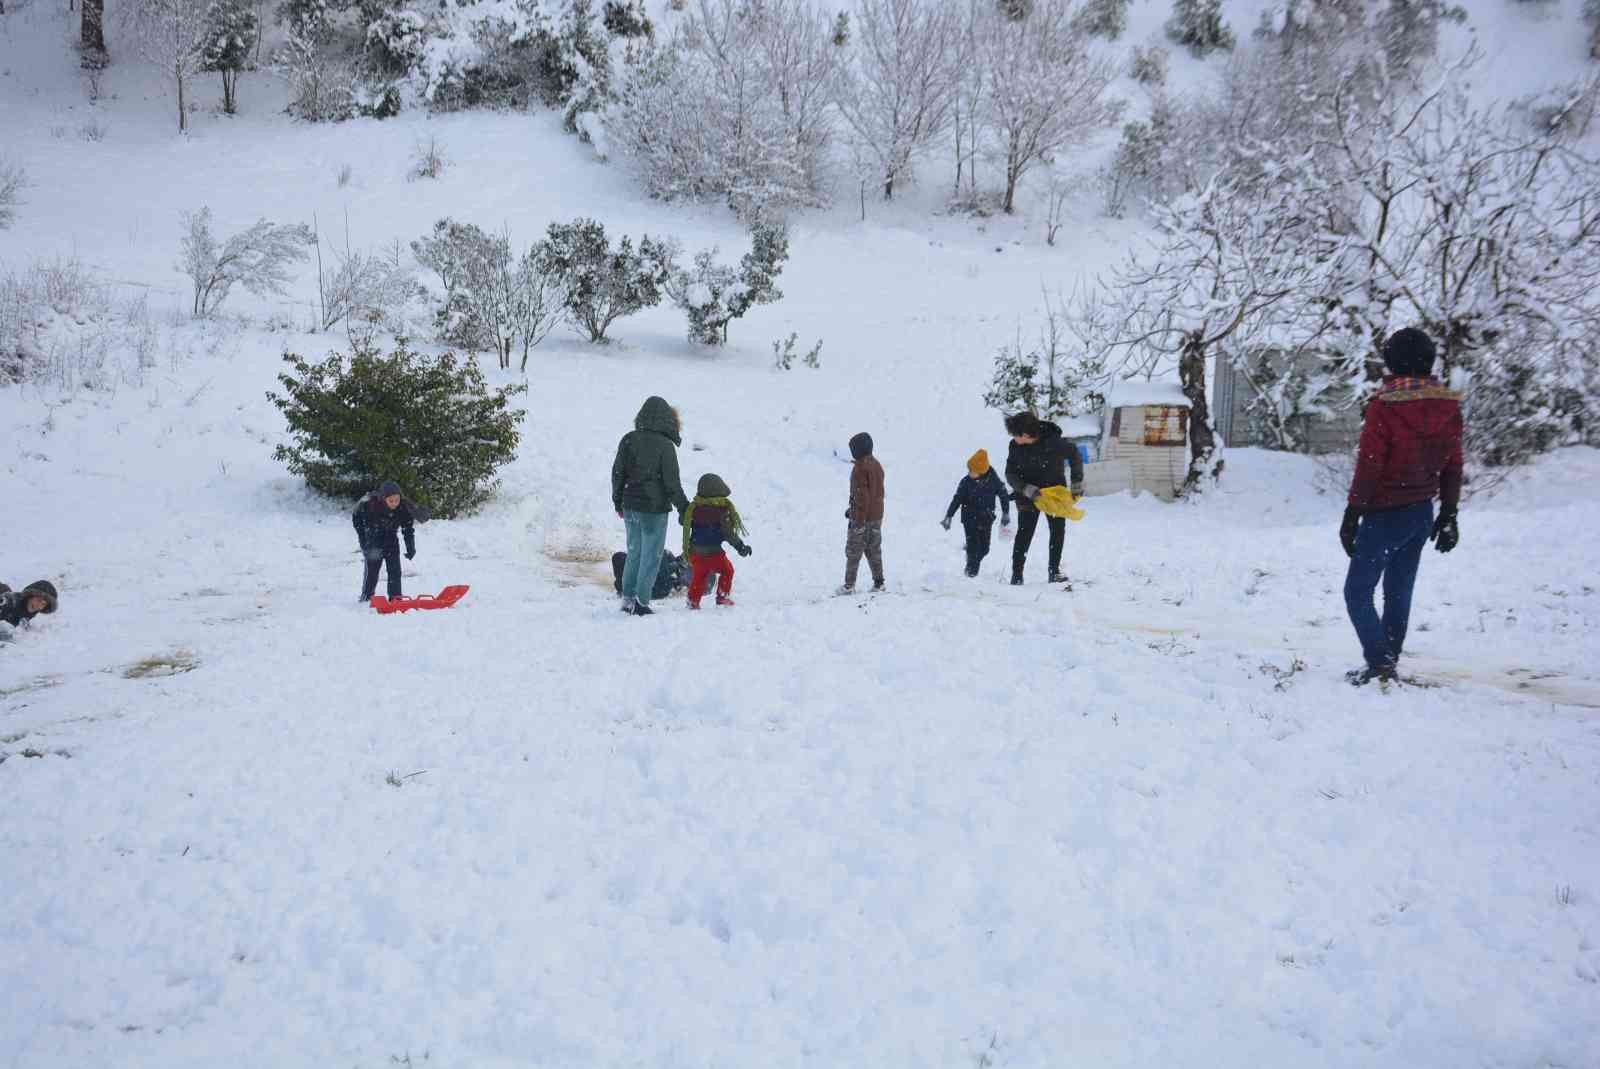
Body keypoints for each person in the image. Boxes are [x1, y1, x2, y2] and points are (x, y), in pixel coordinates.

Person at [1341, 327, 1463, 686]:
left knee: (1357, 592)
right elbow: (1454, 463)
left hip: (1383, 514)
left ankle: (1380, 662)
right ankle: (1387, 660)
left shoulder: (1385, 407)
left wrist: (1352, 512)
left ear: (1393, 363)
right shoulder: (1448, 406)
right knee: (1399, 590)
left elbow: (1371, 464)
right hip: (1420, 513)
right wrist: (1449, 513)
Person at [612, 396, 689, 616]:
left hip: (630, 506)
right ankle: (642, 602)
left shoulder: (628, 439)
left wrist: (618, 501)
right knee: (651, 557)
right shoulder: (665, 446)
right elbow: (672, 484)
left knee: (634, 552)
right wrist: (684, 508)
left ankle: (627, 599)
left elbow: (618, 474)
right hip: (654, 510)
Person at [1003, 412, 1083, 585]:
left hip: (1054, 495)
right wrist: (1025, 488)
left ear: (1025, 434)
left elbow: (1075, 455)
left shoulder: (1054, 442)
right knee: (1025, 533)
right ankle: (1017, 575)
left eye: (1016, 434)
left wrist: (1077, 483)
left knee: (1057, 532)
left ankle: (1054, 572)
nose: (1013, 438)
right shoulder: (1015, 446)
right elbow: (1010, 473)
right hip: (1028, 495)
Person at [681, 473, 753, 609]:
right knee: (727, 571)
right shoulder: (721, 511)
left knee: (700, 576)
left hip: (695, 551)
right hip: (713, 553)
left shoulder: (694, 508)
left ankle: (693, 601)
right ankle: (722, 596)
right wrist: (741, 547)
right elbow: (729, 534)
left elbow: (683, 522)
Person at [942, 449, 1012, 577]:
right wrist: (949, 516)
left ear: (981, 472)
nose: (969, 473)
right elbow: (957, 499)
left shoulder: (994, 481)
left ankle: (971, 558)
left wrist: (1005, 512)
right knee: (974, 547)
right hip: (969, 519)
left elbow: (1003, 495)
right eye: (969, 470)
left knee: (984, 549)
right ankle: (970, 574)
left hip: (986, 518)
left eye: (972, 471)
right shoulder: (965, 482)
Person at [353, 480, 421, 602]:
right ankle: (367, 597)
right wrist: (363, 541)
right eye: (391, 500)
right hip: (373, 540)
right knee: (372, 571)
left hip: (391, 540)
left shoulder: (403, 508)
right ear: (384, 499)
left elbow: (408, 529)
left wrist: (410, 547)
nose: (395, 503)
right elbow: (357, 519)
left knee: (395, 571)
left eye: (397, 500)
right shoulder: (371, 505)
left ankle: (395, 598)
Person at [838, 432, 886, 595]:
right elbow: (874, 493)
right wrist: (851, 510)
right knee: (874, 550)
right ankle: (879, 582)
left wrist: (857, 518)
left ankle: (849, 585)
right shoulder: (877, 465)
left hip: (861, 519)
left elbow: (862, 496)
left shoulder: (859, 469)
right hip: (876, 517)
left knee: (853, 551)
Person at [611, 550, 687, 602]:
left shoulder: (621, 584)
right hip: (659, 588)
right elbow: (660, 571)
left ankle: (676, 578)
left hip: (659, 585)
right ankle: (676, 578)